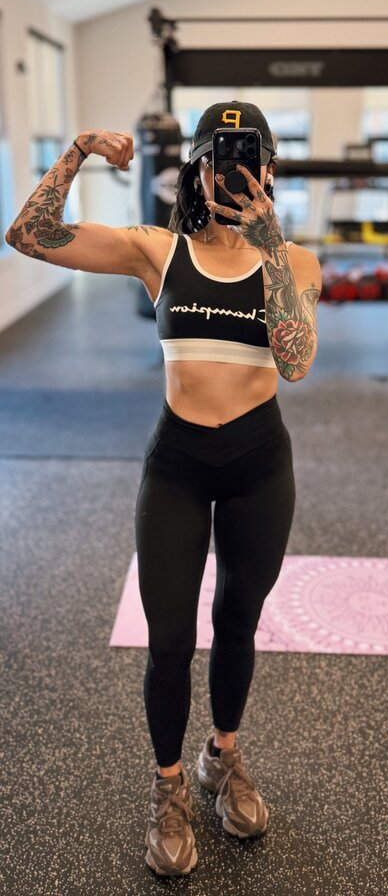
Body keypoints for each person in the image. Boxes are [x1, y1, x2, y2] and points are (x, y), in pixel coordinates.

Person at [4, 101, 320, 880]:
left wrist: (270, 244)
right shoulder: (158, 250)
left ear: (269, 171)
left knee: (238, 622)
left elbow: (295, 362)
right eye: (218, 161)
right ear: (197, 171)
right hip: (177, 464)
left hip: (258, 466)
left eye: (247, 161)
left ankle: (223, 757)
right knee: (170, 639)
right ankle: (170, 786)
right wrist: (79, 150)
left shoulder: (297, 261)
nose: (232, 175)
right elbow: (27, 235)